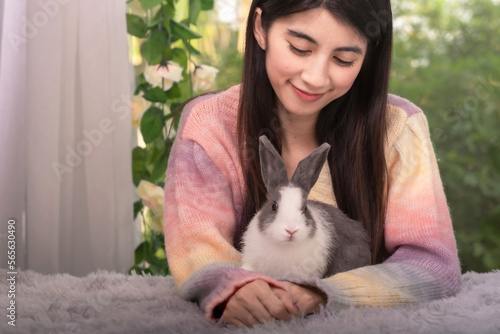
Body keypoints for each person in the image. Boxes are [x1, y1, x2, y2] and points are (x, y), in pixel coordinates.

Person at [163, 0, 462, 328]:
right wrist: (234, 287)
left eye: (343, 59)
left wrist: (326, 292)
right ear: (260, 28)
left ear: (369, 52)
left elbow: (432, 265)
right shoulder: (208, 126)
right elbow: (198, 248)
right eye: (299, 48)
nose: (316, 78)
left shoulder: (399, 129)